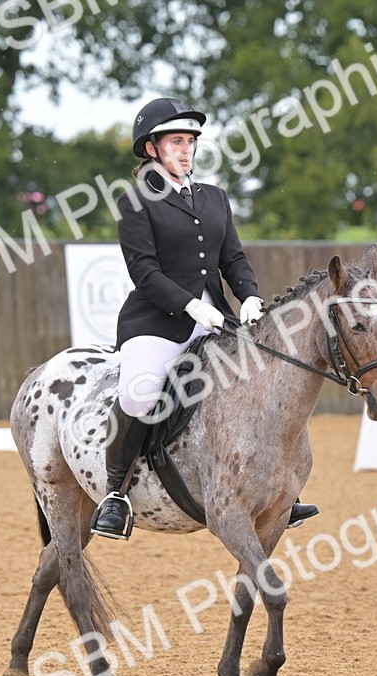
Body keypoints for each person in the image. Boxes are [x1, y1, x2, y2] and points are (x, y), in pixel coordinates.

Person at [90, 97, 319, 540]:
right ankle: (115, 494)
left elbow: (233, 258)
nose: (187, 149)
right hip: (158, 322)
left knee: (264, 381)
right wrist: (190, 305)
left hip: (218, 320)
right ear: (152, 148)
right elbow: (145, 271)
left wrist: (250, 296)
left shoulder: (215, 198)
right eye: (176, 141)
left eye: (191, 141)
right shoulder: (135, 201)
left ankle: (276, 493)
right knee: (139, 396)